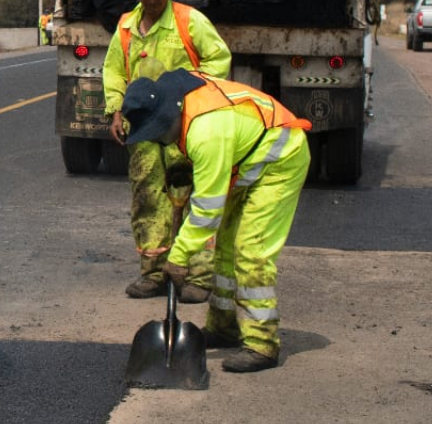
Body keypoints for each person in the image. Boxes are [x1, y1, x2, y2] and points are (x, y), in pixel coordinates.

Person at [117, 69, 312, 373]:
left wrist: (178, 257)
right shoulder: (180, 100)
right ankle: (224, 327)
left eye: (159, 132)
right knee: (225, 249)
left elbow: (207, 211)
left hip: (280, 160)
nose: (161, 140)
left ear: (168, 115)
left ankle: (261, 344)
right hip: (245, 159)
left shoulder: (207, 133)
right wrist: (188, 165)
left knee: (251, 252)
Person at [102, 0, 231, 302]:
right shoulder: (126, 27)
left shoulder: (189, 21)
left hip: (181, 127)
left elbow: (218, 59)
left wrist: (189, 91)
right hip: (143, 129)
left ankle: (198, 276)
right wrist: (115, 110)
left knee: (191, 197)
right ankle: (154, 272)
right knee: (148, 197)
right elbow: (114, 70)